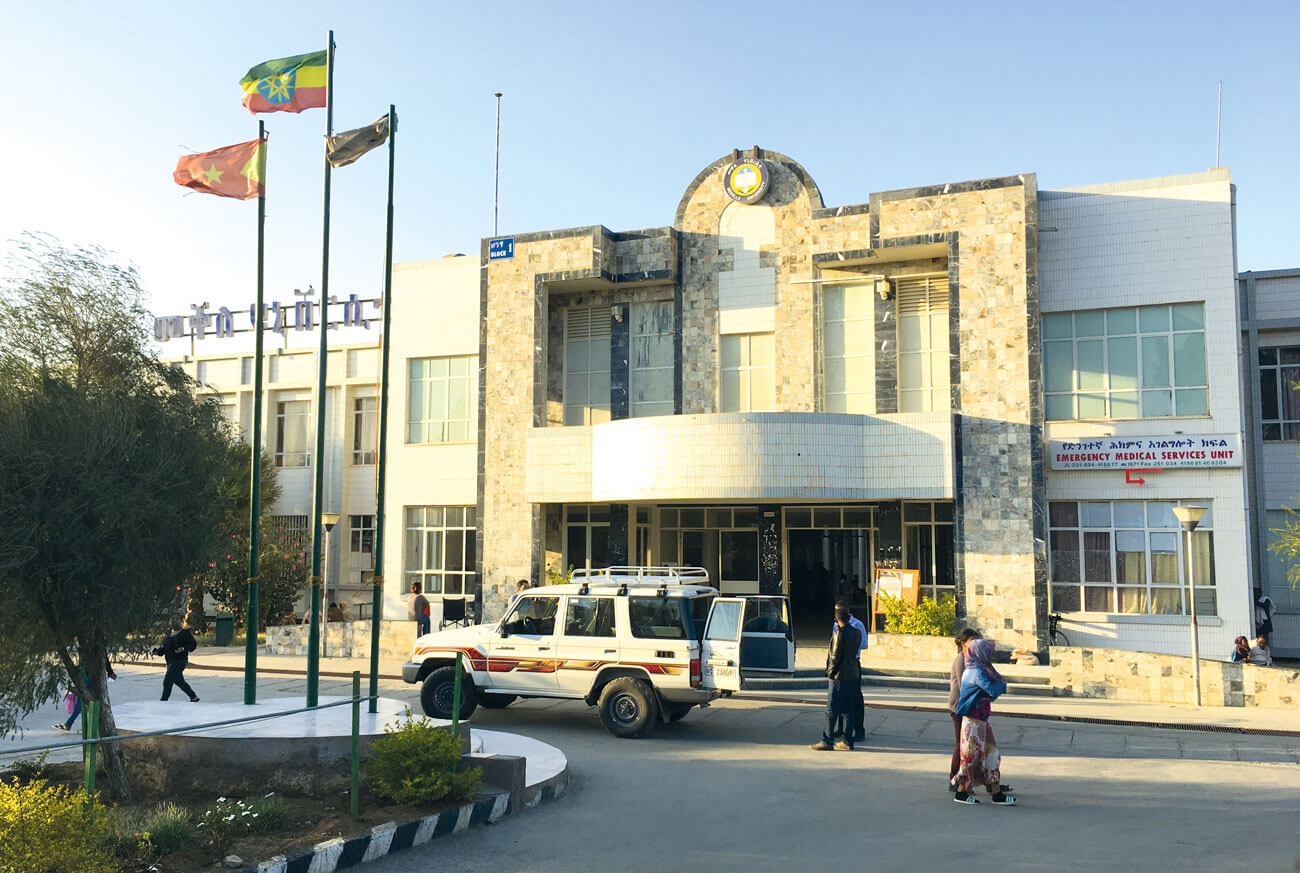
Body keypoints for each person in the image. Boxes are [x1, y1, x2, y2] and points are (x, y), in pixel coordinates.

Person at [952, 638, 1015, 805]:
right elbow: (991, 690)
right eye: (989, 653)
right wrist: (1002, 687)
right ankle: (961, 792)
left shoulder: (980, 669)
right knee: (970, 758)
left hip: (981, 721)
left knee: (992, 755)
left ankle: (996, 793)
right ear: (981, 653)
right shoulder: (976, 673)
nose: (991, 656)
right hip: (973, 722)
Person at [811, 605, 861, 751]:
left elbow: (835, 656)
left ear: (836, 619)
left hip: (840, 675)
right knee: (849, 709)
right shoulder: (857, 632)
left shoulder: (839, 633)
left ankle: (827, 739)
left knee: (832, 709)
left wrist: (830, 672)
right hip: (853, 673)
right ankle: (847, 740)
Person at [947, 628, 983, 790]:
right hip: (959, 708)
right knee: (961, 745)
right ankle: (954, 780)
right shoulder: (960, 660)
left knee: (976, 746)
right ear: (963, 644)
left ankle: (986, 781)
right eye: (972, 642)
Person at [833, 600, 868, 742]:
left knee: (855, 698)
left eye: (840, 611)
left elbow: (864, 643)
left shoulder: (857, 625)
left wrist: (850, 643)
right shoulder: (835, 625)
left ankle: (859, 730)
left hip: (853, 662)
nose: (837, 614)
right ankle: (841, 728)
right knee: (840, 697)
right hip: (840, 663)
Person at [53, 658, 115, 732]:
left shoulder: (92, 652)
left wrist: (110, 672)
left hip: (90, 677)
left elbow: (103, 658)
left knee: (83, 703)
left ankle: (69, 724)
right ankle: (71, 724)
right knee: (87, 703)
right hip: (89, 677)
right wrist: (110, 672)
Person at [153, 614, 199, 702]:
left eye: (177, 619)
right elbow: (164, 648)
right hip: (170, 662)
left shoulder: (185, 633)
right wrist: (158, 651)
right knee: (179, 682)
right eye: (173, 619)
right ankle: (194, 697)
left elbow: (193, 644)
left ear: (181, 621)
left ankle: (163, 701)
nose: (175, 621)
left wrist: (183, 648)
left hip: (180, 661)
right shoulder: (169, 635)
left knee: (167, 681)